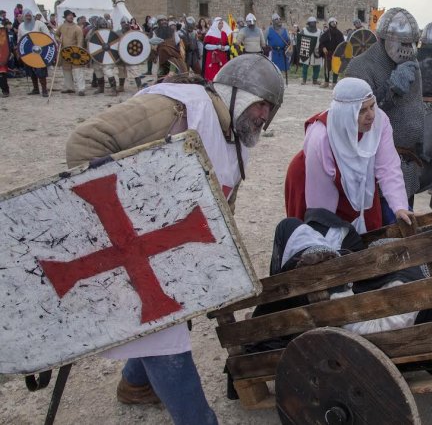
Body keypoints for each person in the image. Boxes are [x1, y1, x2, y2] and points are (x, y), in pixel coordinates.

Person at [65, 55, 284, 425]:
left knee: (173, 316)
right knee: (166, 337)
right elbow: (85, 143)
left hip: (167, 250)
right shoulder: (177, 108)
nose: (263, 115)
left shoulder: (235, 135)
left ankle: (135, 384)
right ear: (235, 93)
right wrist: (133, 221)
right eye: (260, 103)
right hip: (133, 248)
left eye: (270, 108)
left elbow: (220, 202)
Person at [285, 77, 412, 233]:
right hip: (311, 178)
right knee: (322, 237)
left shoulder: (380, 122)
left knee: (370, 231)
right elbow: (321, 204)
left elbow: (388, 168)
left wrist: (399, 207)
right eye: (362, 110)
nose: (371, 115)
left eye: (372, 106)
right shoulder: (321, 137)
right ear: (346, 113)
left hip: (362, 181)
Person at [344, 7, 425, 209]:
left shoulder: (411, 63)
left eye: (411, 43)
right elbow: (358, 119)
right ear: (383, 39)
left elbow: (415, 106)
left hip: (408, 165)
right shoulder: (360, 67)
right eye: (403, 43)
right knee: (380, 234)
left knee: (405, 229)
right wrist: (391, 88)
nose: (408, 49)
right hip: (378, 166)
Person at [16, 8, 51, 97]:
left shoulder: (39, 24)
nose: (28, 17)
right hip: (27, 52)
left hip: (40, 51)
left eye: (29, 15)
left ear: (32, 15)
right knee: (30, 71)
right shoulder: (21, 26)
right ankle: (35, 89)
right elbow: (19, 39)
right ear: (23, 16)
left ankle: (44, 90)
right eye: (26, 15)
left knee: (41, 71)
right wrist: (19, 52)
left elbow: (47, 36)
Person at [55, 9, 86, 96]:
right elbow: (56, 34)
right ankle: (70, 87)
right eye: (69, 15)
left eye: (72, 15)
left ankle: (81, 89)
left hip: (75, 52)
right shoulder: (61, 26)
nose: (71, 17)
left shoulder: (77, 28)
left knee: (78, 70)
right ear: (65, 17)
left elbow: (80, 41)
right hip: (65, 52)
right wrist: (58, 40)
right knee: (66, 70)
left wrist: (79, 51)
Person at [115, 16, 146, 92]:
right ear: (121, 24)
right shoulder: (117, 33)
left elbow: (139, 43)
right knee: (121, 71)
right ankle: (121, 87)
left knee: (135, 70)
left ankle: (139, 87)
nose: (125, 24)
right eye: (123, 23)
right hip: (120, 55)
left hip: (131, 55)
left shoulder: (133, 32)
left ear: (129, 24)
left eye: (126, 23)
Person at [319, 17, 345, 88]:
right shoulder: (326, 33)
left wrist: (341, 52)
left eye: (335, 22)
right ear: (330, 23)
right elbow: (321, 42)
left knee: (336, 68)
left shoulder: (339, 33)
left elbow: (342, 44)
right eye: (332, 22)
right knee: (327, 68)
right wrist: (323, 48)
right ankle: (326, 82)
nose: (334, 23)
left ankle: (334, 83)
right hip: (328, 53)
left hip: (337, 53)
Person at [298, 16, 322, 85]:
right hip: (306, 49)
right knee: (305, 66)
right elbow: (299, 39)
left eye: (314, 22)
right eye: (312, 23)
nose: (314, 24)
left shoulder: (319, 31)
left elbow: (321, 41)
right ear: (308, 23)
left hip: (316, 50)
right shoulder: (304, 30)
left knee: (317, 66)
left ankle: (315, 80)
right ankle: (304, 80)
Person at [266, 13, 290, 78]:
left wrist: (288, 47)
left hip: (283, 53)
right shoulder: (268, 30)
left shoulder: (285, 30)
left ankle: (281, 82)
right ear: (273, 21)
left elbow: (289, 41)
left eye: (280, 19)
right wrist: (266, 50)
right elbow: (264, 41)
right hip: (273, 53)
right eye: (276, 19)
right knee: (273, 69)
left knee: (282, 70)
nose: (279, 20)